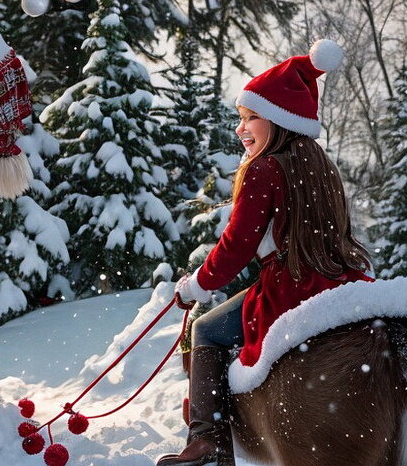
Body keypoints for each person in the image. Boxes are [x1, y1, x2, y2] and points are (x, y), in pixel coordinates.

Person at [156, 40, 373, 466]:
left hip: (290, 288)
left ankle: (209, 445)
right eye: (241, 118)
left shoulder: (263, 168)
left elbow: (236, 246)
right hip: (338, 282)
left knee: (207, 331)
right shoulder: (320, 166)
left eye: (250, 117)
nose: (241, 129)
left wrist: (197, 285)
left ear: (277, 119)